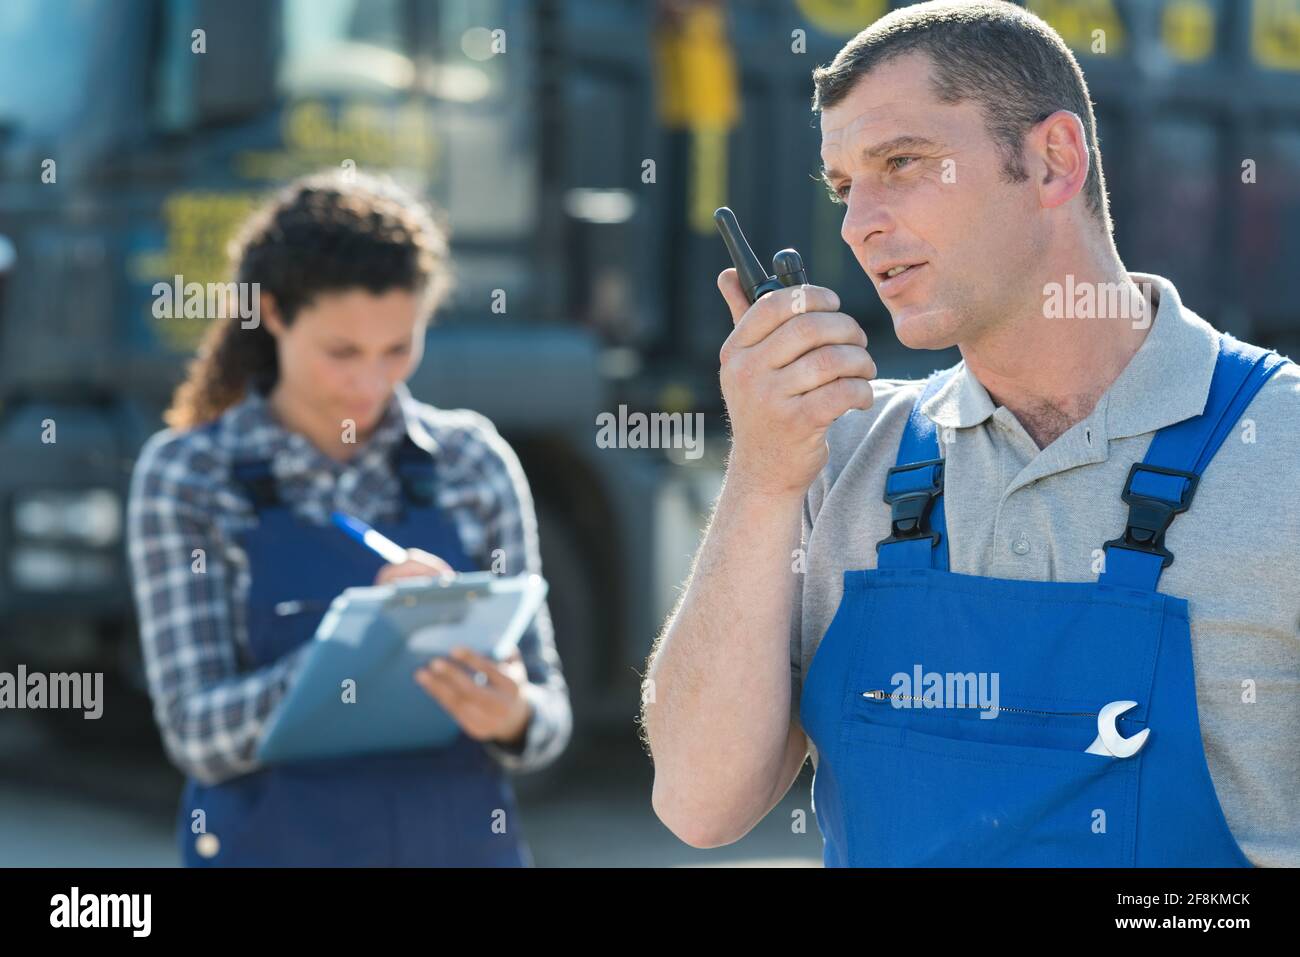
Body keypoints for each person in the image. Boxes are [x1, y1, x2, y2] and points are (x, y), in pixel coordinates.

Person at [644, 0, 1299, 866]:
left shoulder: (1279, 442)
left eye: (902, 163)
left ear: (1052, 160)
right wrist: (763, 473)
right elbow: (699, 803)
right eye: (844, 187)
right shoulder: (840, 453)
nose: (855, 223)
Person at [127, 170, 571, 866]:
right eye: (342, 353)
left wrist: (511, 712)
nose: (370, 383)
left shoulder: (473, 461)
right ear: (273, 313)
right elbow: (196, 735)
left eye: (397, 349)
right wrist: (362, 646)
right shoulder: (188, 476)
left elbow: (548, 720)